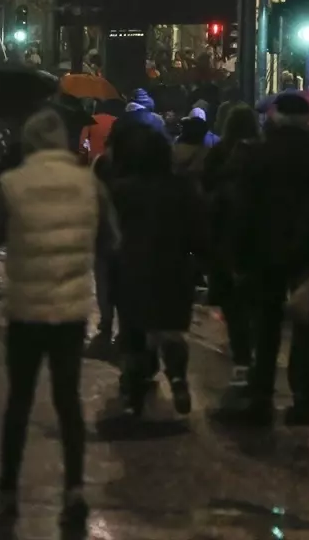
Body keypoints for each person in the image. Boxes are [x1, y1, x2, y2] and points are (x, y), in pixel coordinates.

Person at [0, 109, 119, 529]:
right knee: (68, 400)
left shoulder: (11, 184)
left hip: (26, 309)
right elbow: (111, 240)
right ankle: (74, 488)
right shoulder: (88, 183)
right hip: (71, 311)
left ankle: (7, 489)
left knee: (18, 401)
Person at [231, 92, 309, 425]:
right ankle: (302, 399)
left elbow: (243, 208)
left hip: (265, 251)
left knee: (266, 326)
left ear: (275, 116)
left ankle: (262, 396)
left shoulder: (258, 153)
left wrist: (239, 255)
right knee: (304, 324)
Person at [109, 124, 205, 416]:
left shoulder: (122, 190)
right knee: (171, 331)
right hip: (175, 267)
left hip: (132, 267)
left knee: (134, 332)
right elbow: (198, 232)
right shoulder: (184, 189)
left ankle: (134, 396)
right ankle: (177, 378)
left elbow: (110, 232)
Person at [200, 103, 259, 391]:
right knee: (256, 305)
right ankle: (256, 360)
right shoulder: (262, 154)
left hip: (224, 242)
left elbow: (206, 188)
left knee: (234, 307)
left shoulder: (219, 154)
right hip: (258, 240)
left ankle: (243, 360)